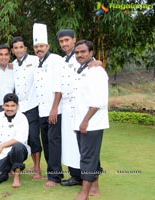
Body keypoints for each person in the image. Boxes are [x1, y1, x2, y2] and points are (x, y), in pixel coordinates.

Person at [57, 29, 103, 187]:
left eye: (67, 40)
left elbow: (95, 65)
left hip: (83, 108)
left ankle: (90, 180)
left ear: (74, 40)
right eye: (61, 41)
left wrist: (100, 62)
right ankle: (75, 176)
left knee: (86, 148)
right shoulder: (63, 60)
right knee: (70, 145)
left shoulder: (83, 58)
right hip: (68, 107)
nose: (64, 44)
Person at [73, 40, 109, 200]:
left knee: (87, 158)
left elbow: (98, 101)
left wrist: (85, 121)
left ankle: (84, 194)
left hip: (91, 123)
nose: (79, 55)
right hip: (81, 121)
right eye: (77, 52)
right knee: (91, 156)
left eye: (83, 52)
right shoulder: (81, 69)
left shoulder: (97, 71)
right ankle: (95, 188)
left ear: (91, 53)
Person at [32, 23, 64, 187]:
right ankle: (52, 172)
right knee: (46, 142)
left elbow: (59, 87)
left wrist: (54, 109)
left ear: (48, 46)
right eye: (36, 46)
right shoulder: (37, 62)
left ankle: (55, 176)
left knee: (54, 142)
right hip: (41, 111)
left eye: (42, 46)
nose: (39, 48)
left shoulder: (56, 60)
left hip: (54, 110)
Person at [10, 36, 42, 180]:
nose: (18, 50)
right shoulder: (12, 65)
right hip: (19, 108)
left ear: (25, 48)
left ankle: (38, 169)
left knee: (34, 137)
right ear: (12, 50)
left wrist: (94, 61)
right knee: (21, 138)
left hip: (33, 105)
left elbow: (56, 62)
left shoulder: (35, 60)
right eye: (15, 48)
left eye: (20, 47)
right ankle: (14, 166)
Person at [0, 93, 30, 188]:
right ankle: (7, 169)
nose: (9, 109)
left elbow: (20, 139)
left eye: (13, 106)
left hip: (18, 151)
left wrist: (1, 146)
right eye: (7, 105)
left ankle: (17, 176)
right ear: (3, 105)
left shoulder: (22, 118)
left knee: (17, 146)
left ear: (17, 106)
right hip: (1, 155)